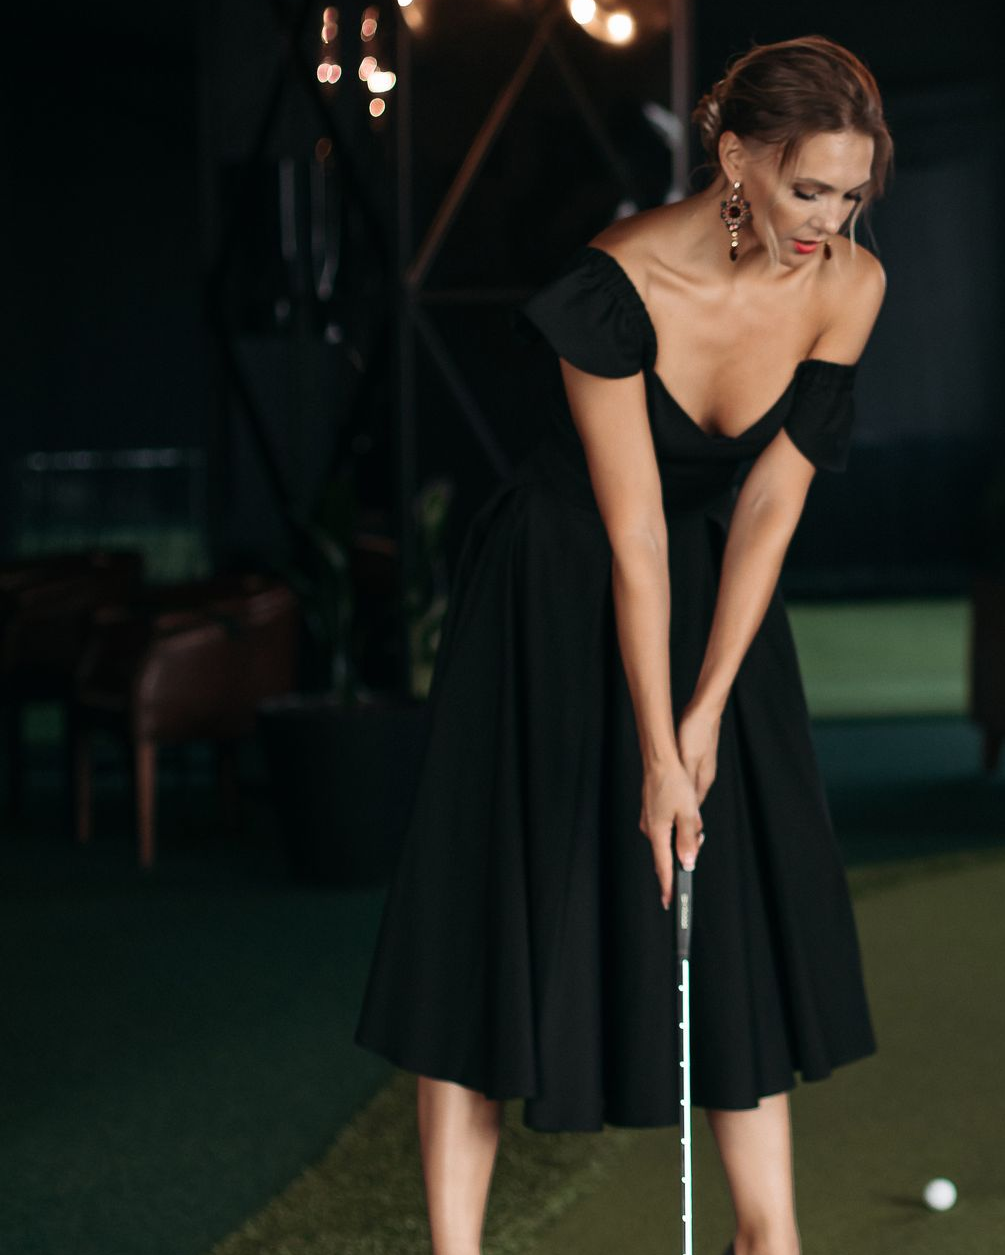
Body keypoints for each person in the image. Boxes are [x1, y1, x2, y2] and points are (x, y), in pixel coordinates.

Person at [352, 34, 893, 1255]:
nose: (830, 219)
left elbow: (768, 506)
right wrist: (656, 750)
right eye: (809, 188)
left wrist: (703, 715)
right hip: (554, 585)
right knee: (500, 904)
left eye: (851, 193)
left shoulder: (847, 286)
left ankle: (772, 1237)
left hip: (719, 599)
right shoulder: (616, 280)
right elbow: (630, 530)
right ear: (736, 152)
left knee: (731, 899)